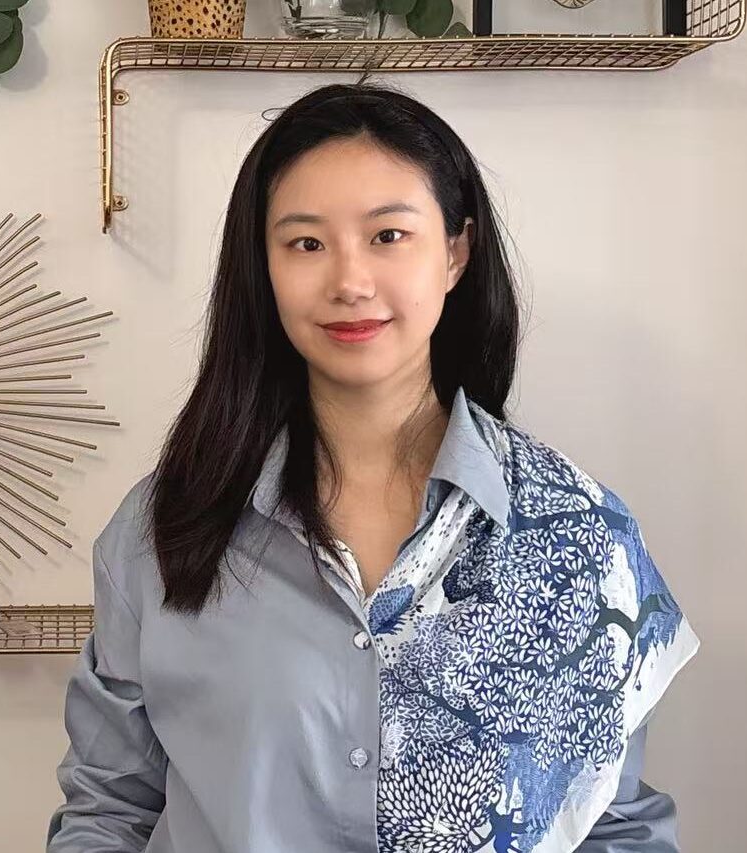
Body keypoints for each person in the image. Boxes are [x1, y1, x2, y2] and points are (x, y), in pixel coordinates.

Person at [45, 82, 699, 853]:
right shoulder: (167, 526)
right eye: (306, 244)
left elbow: (614, 824)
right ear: (263, 265)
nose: (350, 281)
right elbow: (109, 810)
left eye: (388, 235)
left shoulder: (578, 532)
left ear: (455, 251)